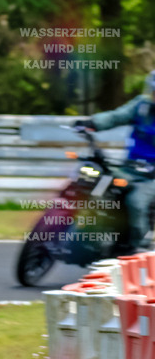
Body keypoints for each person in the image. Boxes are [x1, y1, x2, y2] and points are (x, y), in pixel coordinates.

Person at [74, 70, 155, 252]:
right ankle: (86, 230)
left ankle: (138, 247)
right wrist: (91, 123)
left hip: (152, 177)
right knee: (94, 177)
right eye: (154, 91)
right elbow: (116, 116)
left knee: (136, 202)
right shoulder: (141, 106)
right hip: (130, 166)